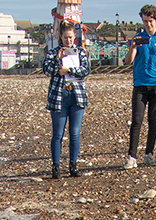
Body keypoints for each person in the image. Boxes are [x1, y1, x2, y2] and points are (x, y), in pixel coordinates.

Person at [123, 4, 156, 169]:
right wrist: (133, 47)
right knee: (136, 120)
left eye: (150, 21)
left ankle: (149, 154)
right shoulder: (137, 38)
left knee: (153, 120)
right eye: (145, 21)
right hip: (139, 84)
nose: (148, 24)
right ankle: (132, 156)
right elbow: (128, 61)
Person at [42, 20, 90, 179]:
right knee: (57, 134)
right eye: (65, 38)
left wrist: (69, 70)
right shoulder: (53, 52)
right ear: (60, 37)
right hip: (58, 96)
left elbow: (85, 70)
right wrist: (58, 60)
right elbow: (46, 70)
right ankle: (55, 167)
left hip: (77, 96)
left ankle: (73, 165)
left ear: (75, 37)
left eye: (70, 38)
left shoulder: (80, 52)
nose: (68, 41)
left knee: (75, 133)